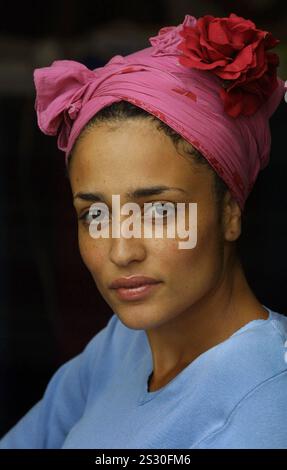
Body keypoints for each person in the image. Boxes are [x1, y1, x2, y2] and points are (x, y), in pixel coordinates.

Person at [1, 12, 287, 449]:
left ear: (230, 212)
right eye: (94, 215)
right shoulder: (123, 345)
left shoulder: (265, 409)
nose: (121, 250)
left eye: (157, 211)